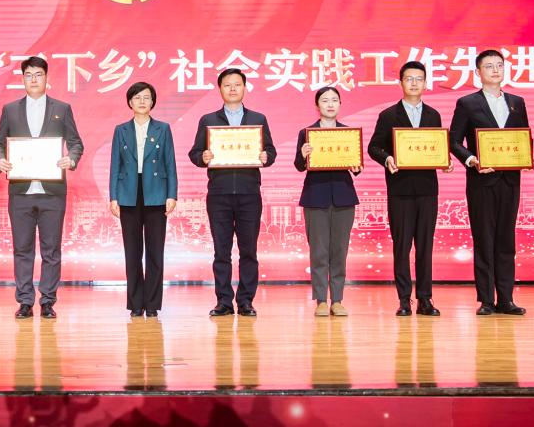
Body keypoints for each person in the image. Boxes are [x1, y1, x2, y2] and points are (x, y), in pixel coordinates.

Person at [0, 56, 84, 319]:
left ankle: (47, 301)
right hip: (20, 191)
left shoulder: (62, 108)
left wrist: (71, 159)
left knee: (51, 250)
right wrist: (0, 160)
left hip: (52, 191)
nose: (33, 79)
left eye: (38, 74)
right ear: (23, 79)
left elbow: (76, 143)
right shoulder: (10, 110)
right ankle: (24, 301)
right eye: (28, 75)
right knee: (22, 249)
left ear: (46, 78)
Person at [367, 61, 454, 316]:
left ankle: (425, 299)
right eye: (409, 79)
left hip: (427, 189)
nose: (414, 83)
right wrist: (387, 158)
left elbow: (437, 147)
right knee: (402, 246)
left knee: (425, 247)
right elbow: (374, 147)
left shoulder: (433, 115)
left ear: (425, 83)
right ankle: (404, 299)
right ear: (401, 83)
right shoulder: (388, 115)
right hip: (400, 190)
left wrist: (445, 161)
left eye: (419, 79)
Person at [188, 68, 277, 317]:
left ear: (245, 88)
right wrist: (203, 157)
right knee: (221, 252)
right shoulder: (208, 120)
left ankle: (246, 301)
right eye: (227, 85)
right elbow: (195, 153)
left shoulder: (258, 119)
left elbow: (271, 151)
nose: (233, 89)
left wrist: (266, 156)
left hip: (249, 194)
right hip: (219, 194)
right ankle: (224, 301)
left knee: (249, 251)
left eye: (237, 84)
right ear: (220, 89)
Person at [450, 49, 530, 315]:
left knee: (506, 240)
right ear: (478, 72)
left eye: (499, 65)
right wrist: (471, 159)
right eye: (489, 66)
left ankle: (506, 299)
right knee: (484, 239)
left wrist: (527, 154)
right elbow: (454, 141)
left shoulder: (517, 102)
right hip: (481, 180)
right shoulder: (467, 103)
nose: (495, 70)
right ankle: (486, 299)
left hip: (510, 180)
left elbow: (523, 136)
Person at [108, 82, 178, 317]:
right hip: (128, 193)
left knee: (155, 252)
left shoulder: (163, 129)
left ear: (153, 102)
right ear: (130, 102)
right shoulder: (120, 130)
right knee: (133, 252)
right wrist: (113, 196)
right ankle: (136, 304)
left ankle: (152, 304)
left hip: (156, 193)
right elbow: (115, 165)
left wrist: (172, 194)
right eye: (137, 97)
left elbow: (170, 163)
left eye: (146, 97)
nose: (141, 101)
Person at [295, 86, 361, 317]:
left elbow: (357, 167)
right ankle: (321, 300)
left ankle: (338, 300)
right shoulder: (307, 133)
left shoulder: (349, 133)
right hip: (315, 197)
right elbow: (299, 166)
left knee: (339, 251)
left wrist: (356, 165)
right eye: (325, 100)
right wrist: (303, 155)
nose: (330, 104)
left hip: (343, 197)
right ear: (317, 105)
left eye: (334, 100)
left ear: (340, 104)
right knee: (319, 251)